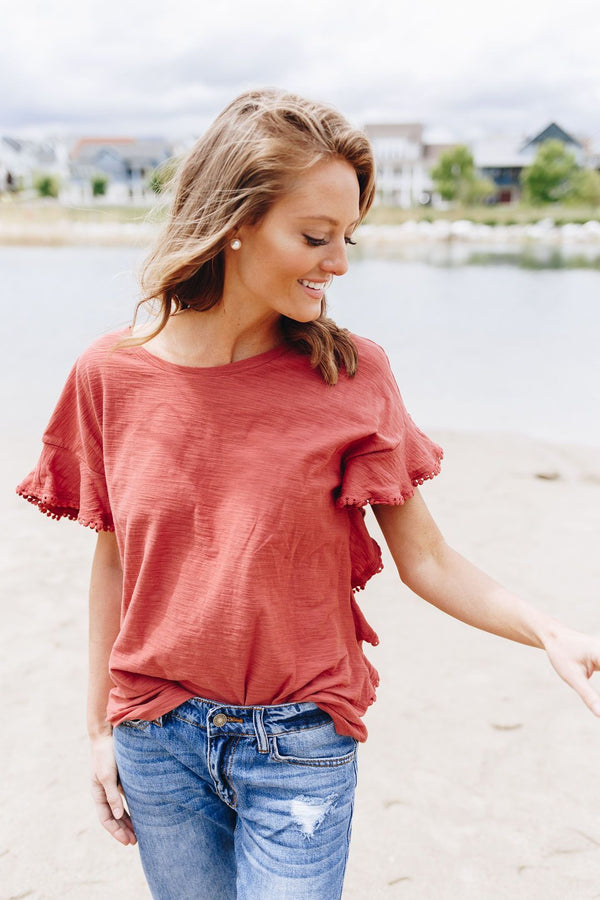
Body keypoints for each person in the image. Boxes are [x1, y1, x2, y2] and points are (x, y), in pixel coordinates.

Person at [16, 88, 600, 900]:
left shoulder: (353, 375)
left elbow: (426, 558)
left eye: (349, 237)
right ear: (235, 223)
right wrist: (96, 730)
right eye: (316, 237)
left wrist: (550, 632)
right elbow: (116, 564)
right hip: (156, 739)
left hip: (299, 745)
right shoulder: (108, 376)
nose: (341, 263)